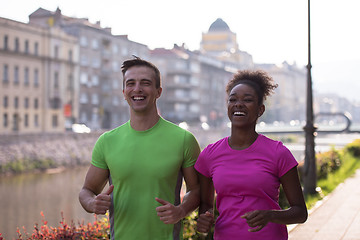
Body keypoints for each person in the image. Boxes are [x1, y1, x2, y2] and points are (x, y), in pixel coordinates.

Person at [79, 56, 201, 240]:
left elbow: (197, 189)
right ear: (123, 92)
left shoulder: (184, 139)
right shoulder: (107, 141)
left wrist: (181, 210)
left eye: (145, 83)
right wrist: (92, 203)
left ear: (158, 91)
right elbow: (86, 190)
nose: (137, 89)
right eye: (131, 83)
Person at [195, 70, 308, 239]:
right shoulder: (209, 154)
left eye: (247, 100)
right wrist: (204, 219)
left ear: (260, 110)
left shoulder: (278, 153)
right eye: (232, 100)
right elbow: (205, 204)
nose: (238, 104)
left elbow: (300, 212)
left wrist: (271, 215)